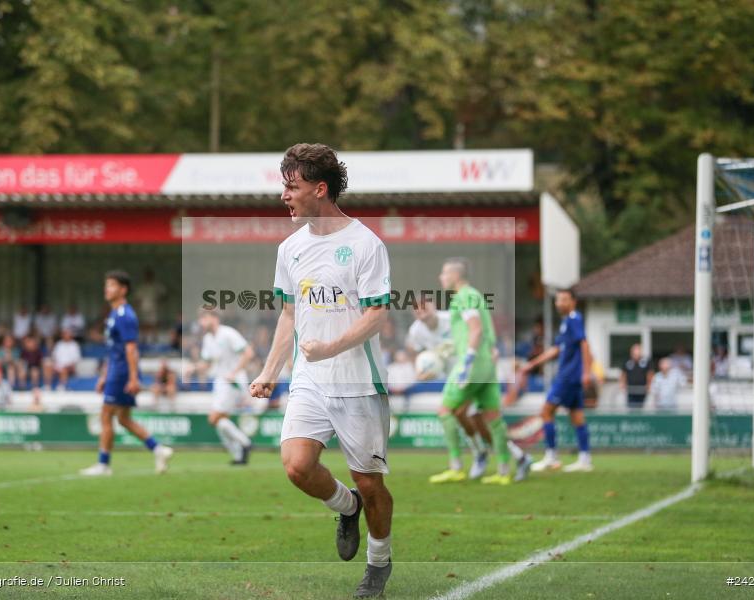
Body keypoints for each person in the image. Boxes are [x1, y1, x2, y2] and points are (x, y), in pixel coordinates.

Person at [250, 143, 393, 598]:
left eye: (291, 187)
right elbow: (289, 315)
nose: (284, 196)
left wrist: (329, 346)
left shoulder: (366, 244)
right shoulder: (290, 247)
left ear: (320, 188)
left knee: (371, 484)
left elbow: (377, 315)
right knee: (296, 466)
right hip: (309, 378)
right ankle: (344, 506)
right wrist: (270, 369)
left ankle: (378, 562)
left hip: (356, 381)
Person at [428, 258, 531, 485]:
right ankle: (504, 471)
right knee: (493, 418)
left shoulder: (463, 297)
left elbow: (475, 330)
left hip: (473, 364)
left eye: (444, 273)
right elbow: (482, 333)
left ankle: (456, 466)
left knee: (445, 411)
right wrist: (452, 347)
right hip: (487, 364)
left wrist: (467, 362)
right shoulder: (475, 295)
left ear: (455, 276)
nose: (441, 277)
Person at [80, 270, 173, 476]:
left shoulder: (125, 315)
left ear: (123, 290)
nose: (107, 289)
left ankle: (103, 465)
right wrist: (104, 376)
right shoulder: (114, 314)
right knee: (123, 419)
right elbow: (114, 350)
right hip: (116, 371)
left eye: (112, 285)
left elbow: (131, 348)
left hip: (121, 373)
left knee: (106, 415)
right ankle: (159, 450)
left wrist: (132, 378)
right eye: (107, 285)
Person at [519, 289, 594, 472]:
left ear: (573, 301)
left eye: (564, 299)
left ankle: (551, 456)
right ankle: (584, 459)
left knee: (546, 412)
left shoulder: (574, 319)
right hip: (571, 376)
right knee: (577, 417)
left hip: (568, 376)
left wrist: (586, 372)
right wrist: (533, 364)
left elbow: (584, 344)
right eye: (558, 300)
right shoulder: (567, 322)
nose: (559, 303)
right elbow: (556, 349)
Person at [197, 310, 255, 464]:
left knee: (214, 418)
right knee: (221, 421)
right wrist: (193, 368)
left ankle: (245, 443)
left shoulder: (228, 333)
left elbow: (248, 353)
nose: (201, 321)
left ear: (214, 318)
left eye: (204, 318)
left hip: (232, 381)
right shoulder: (208, 339)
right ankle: (239, 455)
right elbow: (206, 363)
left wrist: (234, 372)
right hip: (220, 382)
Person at [621, 343, 653, 409]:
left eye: (637, 351)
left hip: (642, 389)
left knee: (641, 407)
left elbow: (650, 374)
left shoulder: (646, 361)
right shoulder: (627, 362)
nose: (635, 353)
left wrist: (649, 385)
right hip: (631, 389)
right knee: (631, 407)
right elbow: (623, 374)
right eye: (634, 351)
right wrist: (623, 384)